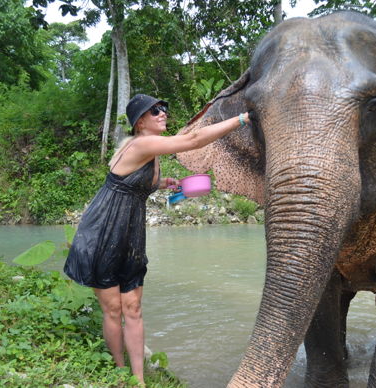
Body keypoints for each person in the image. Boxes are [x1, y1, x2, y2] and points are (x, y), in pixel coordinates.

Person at [64, 93, 250, 384]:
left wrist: (165, 184)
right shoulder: (143, 144)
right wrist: (242, 119)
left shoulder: (150, 154)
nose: (163, 113)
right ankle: (119, 370)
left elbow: (137, 183)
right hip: (102, 231)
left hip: (129, 235)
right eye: (155, 111)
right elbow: (192, 140)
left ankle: (138, 378)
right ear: (140, 122)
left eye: (163, 108)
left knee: (133, 307)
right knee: (113, 309)